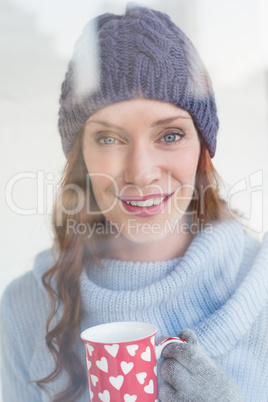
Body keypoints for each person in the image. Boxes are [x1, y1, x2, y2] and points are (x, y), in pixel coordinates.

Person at [1, 4, 267, 402]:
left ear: (202, 150)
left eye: (171, 135)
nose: (140, 173)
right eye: (109, 138)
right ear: (81, 158)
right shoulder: (25, 309)